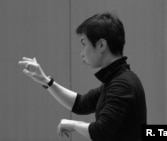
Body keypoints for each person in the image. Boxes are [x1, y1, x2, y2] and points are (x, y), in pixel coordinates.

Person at [19, 12, 147, 141]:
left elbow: (100, 132)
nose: (82, 53)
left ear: (101, 45)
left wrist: (74, 125)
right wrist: (46, 81)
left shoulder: (122, 84)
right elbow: (81, 104)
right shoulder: (115, 81)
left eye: (84, 44)